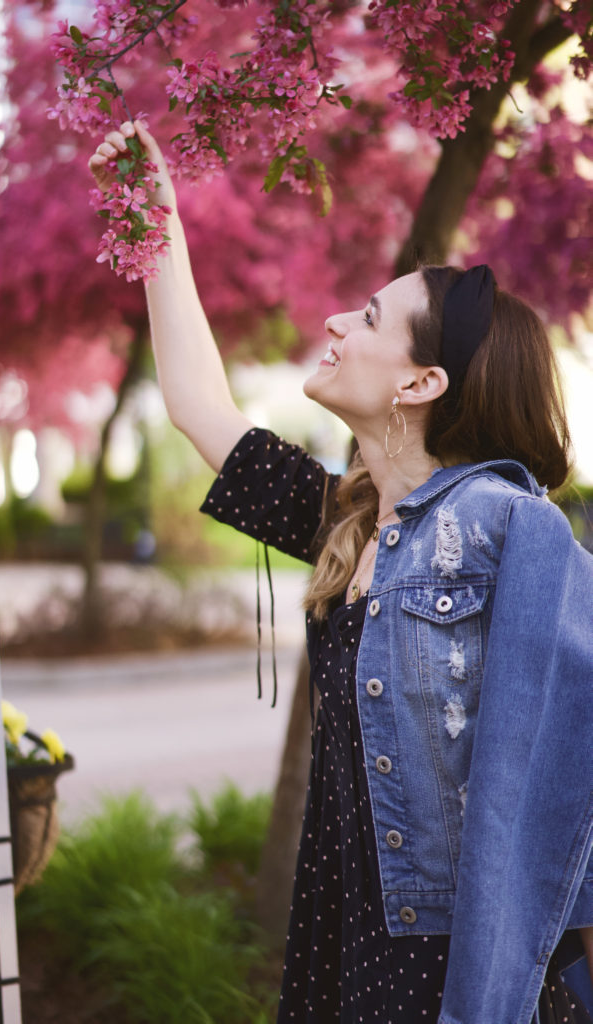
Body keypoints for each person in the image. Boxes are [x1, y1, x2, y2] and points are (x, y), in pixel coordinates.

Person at [90, 121, 593, 1024]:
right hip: (341, 940)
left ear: (420, 384)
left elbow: (571, 774)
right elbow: (196, 406)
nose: (332, 321)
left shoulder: (509, 527)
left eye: (366, 319)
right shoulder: (351, 523)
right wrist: (154, 220)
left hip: (443, 964)